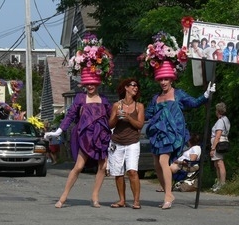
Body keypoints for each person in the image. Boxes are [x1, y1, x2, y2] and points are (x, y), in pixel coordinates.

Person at [145, 61, 215, 209]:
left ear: (171, 79)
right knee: (157, 165)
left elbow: (194, 103)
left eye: (166, 79)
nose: (163, 82)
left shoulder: (179, 94)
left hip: (172, 133)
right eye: (161, 79)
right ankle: (168, 192)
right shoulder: (155, 98)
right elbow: (147, 114)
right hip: (158, 134)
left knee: (164, 161)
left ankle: (167, 197)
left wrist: (206, 95)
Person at [44, 74, 112, 208]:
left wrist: (115, 131)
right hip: (86, 137)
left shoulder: (104, 99)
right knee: (79, 166)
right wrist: (59, 131)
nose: (90, 86)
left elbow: (111, 117)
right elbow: (70, 115)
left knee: (103, 167)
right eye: (88, 84)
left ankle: (95, 197)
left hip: (101, 136)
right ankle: (63, 197)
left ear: (97, 84)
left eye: (93, 83)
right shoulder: (80, 98)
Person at [108, 78, 145, 209]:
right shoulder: (116, 105)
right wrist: (117, 117)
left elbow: (140, 125)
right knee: (118, 172)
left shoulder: (139, 106)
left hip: (132, 142)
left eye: (137, 86)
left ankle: (136, 201)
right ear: (126, 88)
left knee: (132, 171)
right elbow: (110, 124)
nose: (135, 88)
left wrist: (129, 117)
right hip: (117, 142)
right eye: (133, 85)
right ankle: (121, 200)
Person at [210, 102, 230, 192]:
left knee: (219, 163)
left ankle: (222, 183)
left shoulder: (220, 121)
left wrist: (213, 148)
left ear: (218, 111)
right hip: (222, 141)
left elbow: (218, 135)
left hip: (218, 143)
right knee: (216, 163)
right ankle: (219, 182)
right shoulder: (225, 119)